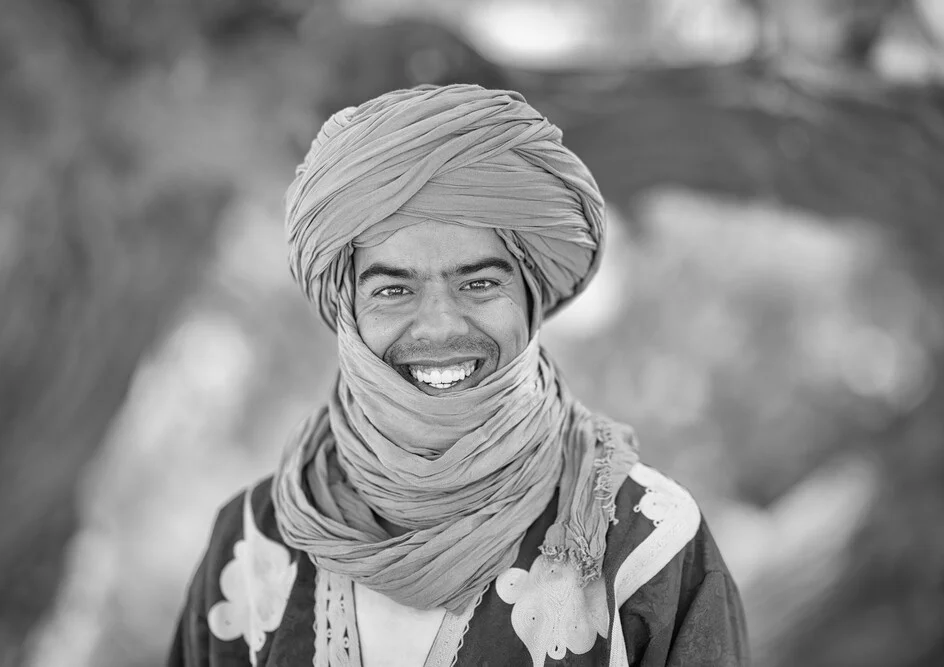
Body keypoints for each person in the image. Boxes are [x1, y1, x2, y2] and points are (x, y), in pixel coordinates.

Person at [168, 84, 749, 667]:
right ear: (347, 310)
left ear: (530, 300)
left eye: (479, 283)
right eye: (394, 290)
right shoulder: (249, 546)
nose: (439, 326)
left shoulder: (648, 545)